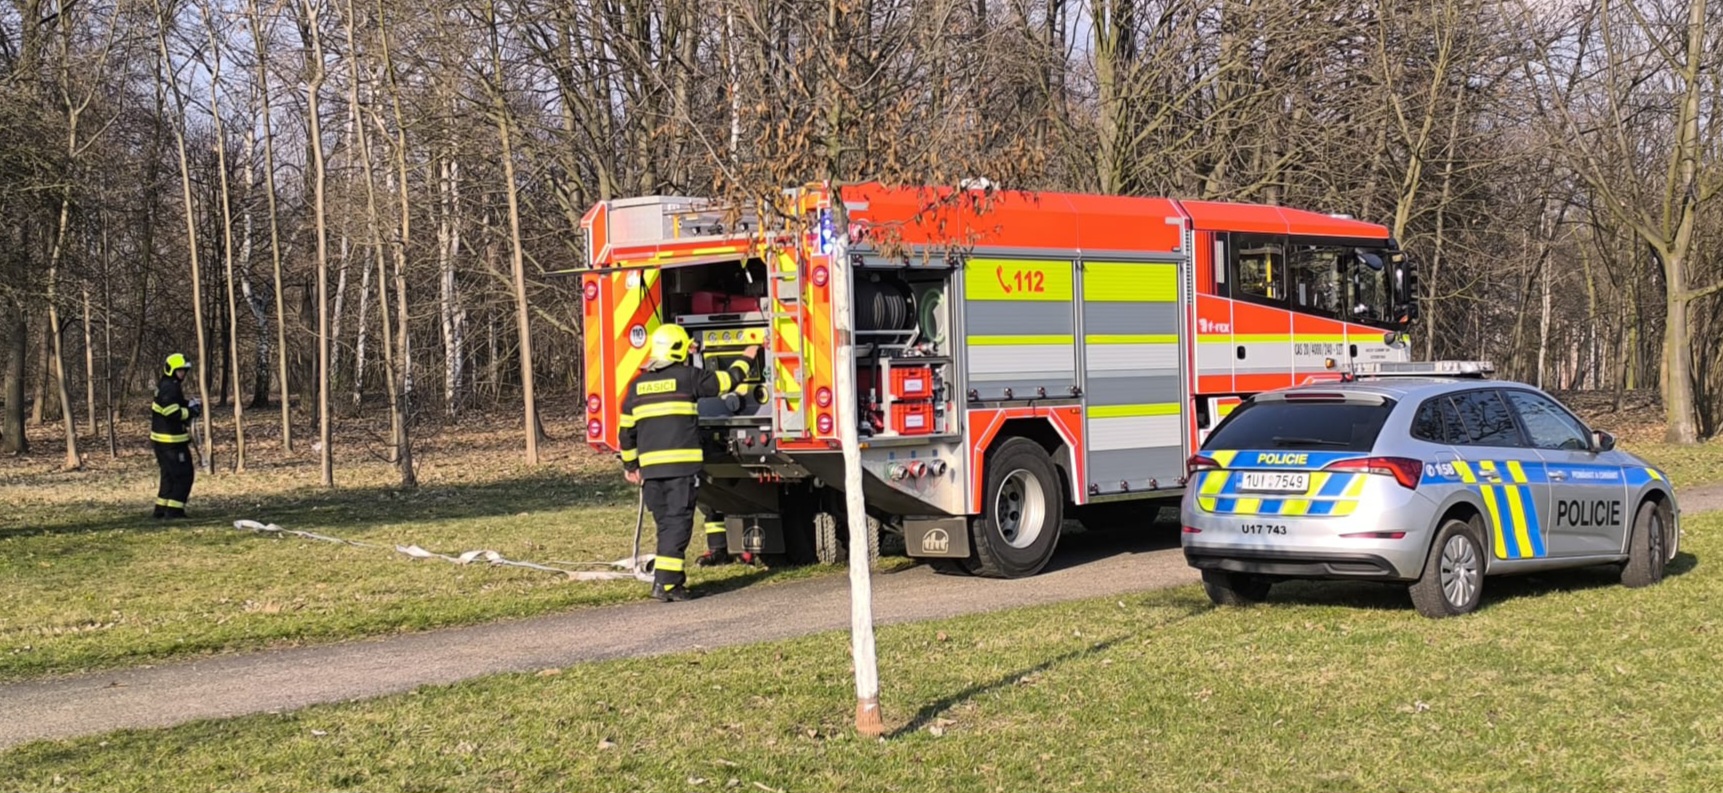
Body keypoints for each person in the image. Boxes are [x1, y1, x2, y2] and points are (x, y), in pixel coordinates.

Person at [619, 324, 760, 601]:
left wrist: (630, 466)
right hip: (680, 471)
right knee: (677, 526)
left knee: (666, 526)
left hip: (651, 474)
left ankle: (669, 581)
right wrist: (749, 353)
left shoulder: (637, 386)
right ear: (679, 349)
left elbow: (626, 431)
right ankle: (667, 585)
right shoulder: (688, 378)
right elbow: (727, 381)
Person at [151, 353, 201, 519]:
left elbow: (173, 403)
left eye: (184, 371)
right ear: (171, 369)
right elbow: (170, 411)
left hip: (163, 441)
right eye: (180, 370)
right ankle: (175, 511)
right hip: (171, 442)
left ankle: (161, 509)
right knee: (184, 475)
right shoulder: (169, 387)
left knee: (169, 476)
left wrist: (187, 404)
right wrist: (190, 412)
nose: (183, 374)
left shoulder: (168, 385)